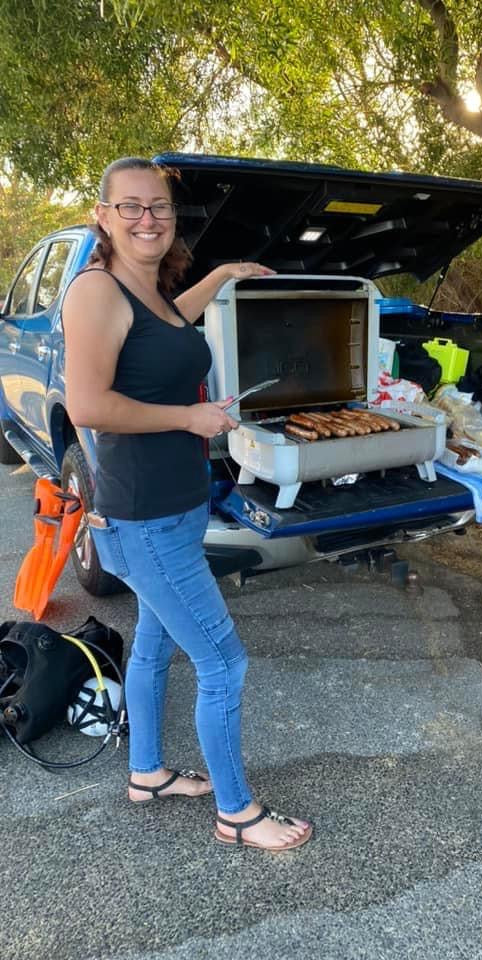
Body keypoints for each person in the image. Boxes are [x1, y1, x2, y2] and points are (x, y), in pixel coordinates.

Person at [63, 156, 312, 851]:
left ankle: (146, 773)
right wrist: (189, 420)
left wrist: (225, 274)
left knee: (154, 640)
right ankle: (237, 812)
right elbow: (88, 405)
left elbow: (175, 325)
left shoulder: (154, 289)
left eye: (160, 209)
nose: (148, 219)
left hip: (170, 508)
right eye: (132, 207)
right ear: (104, 217)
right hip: (141, 517)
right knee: (224, 663)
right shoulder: (97, 292)